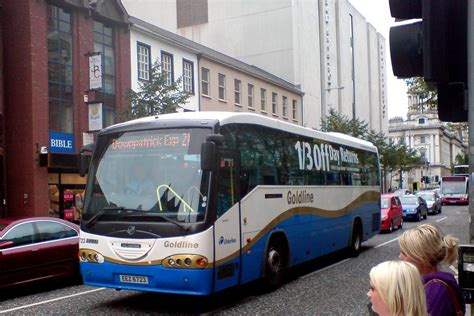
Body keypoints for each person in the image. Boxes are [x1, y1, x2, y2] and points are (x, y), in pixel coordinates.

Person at [399, 223, 465, 316]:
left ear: (420, 256)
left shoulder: (436, 290)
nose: (400, 257)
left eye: (404, 253)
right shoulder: (430, 285)